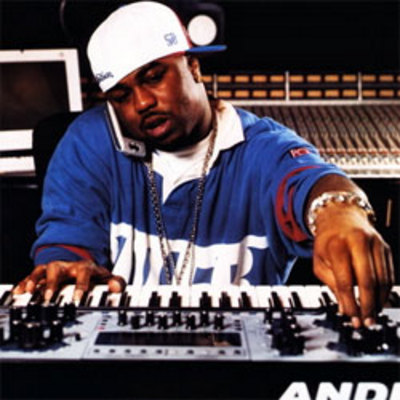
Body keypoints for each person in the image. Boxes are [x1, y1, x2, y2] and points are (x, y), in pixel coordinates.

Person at [14, 1, 393, 328]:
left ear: (193, 67)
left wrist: (340, 212)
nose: (142, 103)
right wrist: (65, 268)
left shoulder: (260, 148)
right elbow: (67, 242)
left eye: (154, 77)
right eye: (121, 95)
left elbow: (310, 182)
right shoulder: (89, 143)